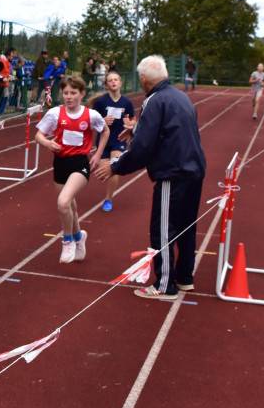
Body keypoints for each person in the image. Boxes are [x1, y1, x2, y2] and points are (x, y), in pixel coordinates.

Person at [94, 55, 206, 299]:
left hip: (172, 172)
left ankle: (165, 285)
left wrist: (116, 166)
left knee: (164, 229)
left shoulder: (154, 101)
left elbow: (143, 149)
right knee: (187, 226)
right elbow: (169, 130)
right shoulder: (181, 96)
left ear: (143, 79)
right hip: (194, 170)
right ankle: (185, 277)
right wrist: (137, 129)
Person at [35, 76, 109, 264]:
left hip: (80, 164)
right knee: (70, 206)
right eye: (66, 93)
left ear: (82, 94)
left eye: (73, 93)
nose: (68, 97)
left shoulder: (91, 115)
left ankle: (67, 241)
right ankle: (79, 236)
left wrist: (98, 154)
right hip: (60, 163)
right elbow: (39, 135)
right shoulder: (54, 113)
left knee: (63, 202)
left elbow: (105, 130)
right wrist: (47, 143)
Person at [92, 70, 135, 212]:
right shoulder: (101, 102)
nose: (113, 82)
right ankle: (108, 195)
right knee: (103, 171)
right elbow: (91, 120)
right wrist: (102, 120)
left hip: (119, 140)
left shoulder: (126, 103)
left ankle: (108, 199)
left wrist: (130, 123)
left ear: (120, 83)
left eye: (116, 79)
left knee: (113, 168)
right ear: (106, 85)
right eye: (110, 80)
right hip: (104, 140)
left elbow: (133, 120)